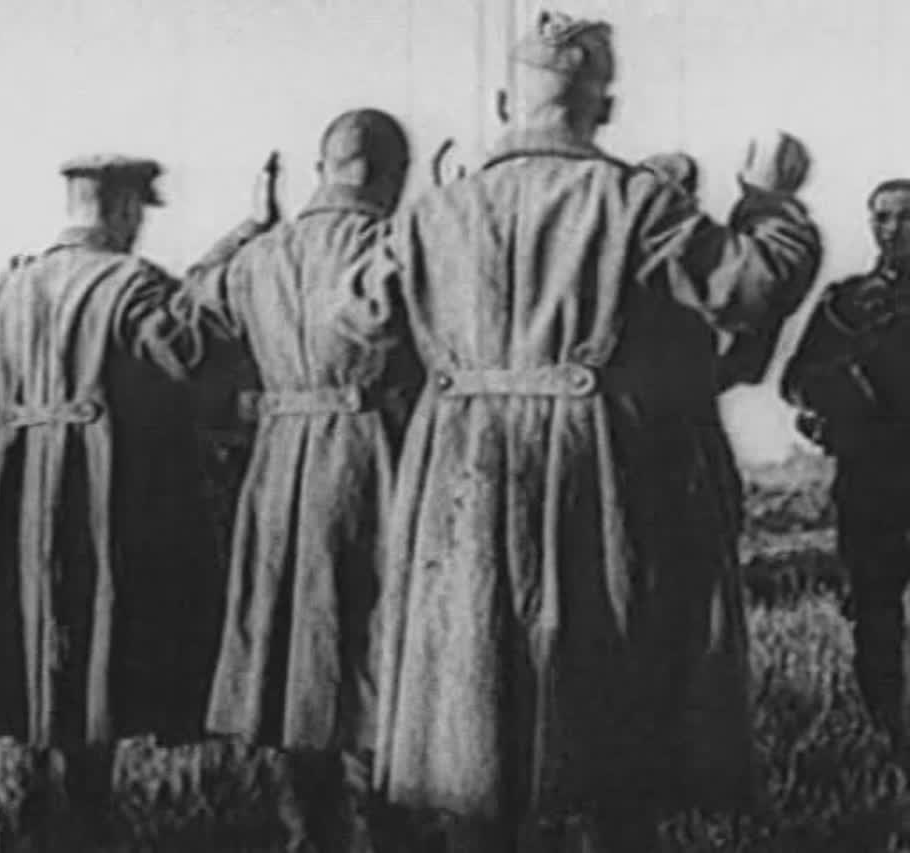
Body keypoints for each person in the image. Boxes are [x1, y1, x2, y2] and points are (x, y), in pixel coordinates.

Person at [344, 12, 821, 851]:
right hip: (597, 470)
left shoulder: (433, 213)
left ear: (505, 103)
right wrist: (771, 201)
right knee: (613, 693)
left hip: (460, 473)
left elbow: (358, 321)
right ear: (605, 108)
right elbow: (750, 287)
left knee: (474, 696)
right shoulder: (638, 202)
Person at [0, 154, 276, 763]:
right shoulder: (132, 283)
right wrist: (241, 243)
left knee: (39, 640)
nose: (138, 227)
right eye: (137, 213)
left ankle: (50, 785)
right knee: (102, 640)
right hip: (106, 494)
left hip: (24, 496)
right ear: (120, 209)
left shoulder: (13, 288)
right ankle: (85, 786)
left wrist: (30, 405)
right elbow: (189, 353)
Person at [180, 111, 419, 851]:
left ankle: (305, 834)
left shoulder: (259, 256)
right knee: (380, 651)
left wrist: (250, 225)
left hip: (280, 469)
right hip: (376, 461)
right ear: (393, 174)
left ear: (323, 169)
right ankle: (387, 834)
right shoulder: (395, 244)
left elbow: (189, 304)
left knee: (289, 658)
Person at [782, 178, 910, 749]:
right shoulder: (845, 303)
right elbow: (796, 380)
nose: (894, 229)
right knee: (875, 607)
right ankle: (889, 733)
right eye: (883, 217)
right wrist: (827, 404)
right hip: (870, 476)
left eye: (907, 217)